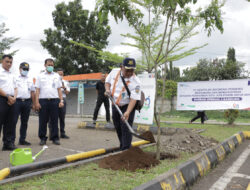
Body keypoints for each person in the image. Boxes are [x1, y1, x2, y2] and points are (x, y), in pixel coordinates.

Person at [105, 58, 141, 150]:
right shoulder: (114, 72)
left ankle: (126, 149)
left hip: (128, 106)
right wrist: (108, 90)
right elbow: (107, 82)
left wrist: (128, 112)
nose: (129, 73)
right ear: (121, 67)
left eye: (132, 70)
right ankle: (123, 145)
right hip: (115, 105)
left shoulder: (136, 81)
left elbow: (134, 99)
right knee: (118, 126)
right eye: (127, 70)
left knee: (126, 128)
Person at [35, 58, 64, 145]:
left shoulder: (56, 76)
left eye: (52, 65)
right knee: (43, 121)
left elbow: (59, 90)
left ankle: (55, 138)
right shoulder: (40, 76)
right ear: (45, 65)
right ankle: (42, 138)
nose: (50, 67)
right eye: (49, 65)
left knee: (54, 120)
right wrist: (36, 102)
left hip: (54, 101)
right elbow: (37, 90)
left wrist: (61, 100)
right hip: (43, 101)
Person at [13, 62, 35, 145]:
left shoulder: (30, 79)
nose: (25, 70)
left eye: (27, 69)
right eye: (24, 69)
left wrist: (33, 103)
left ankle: (22, 139)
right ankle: (11, 140)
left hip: (27, 102)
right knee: (13, 121)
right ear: (20, 69)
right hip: (16, 102)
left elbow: (33, 92)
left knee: (24, 122)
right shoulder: (14, 78)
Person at [0, 54, 18, 151]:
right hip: (2, 99)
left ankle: (8, 144)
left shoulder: (12, 74)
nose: (9, 64)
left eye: (11, 62)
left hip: (12, 100)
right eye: (7, 61)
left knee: (10, 123)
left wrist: (14, 98)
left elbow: (15, 88)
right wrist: (7, 96)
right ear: (2, 61)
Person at [49, 68, 70, 139]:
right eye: (59, 74)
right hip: (54, 99)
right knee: (52, 118)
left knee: (62, 117)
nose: (60, 75)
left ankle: (62, 133)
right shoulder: (52, 81)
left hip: (63, 99)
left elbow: (67, 92)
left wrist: (64, 87)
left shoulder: (66, 82)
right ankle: (52, 134)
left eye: (61, 74)